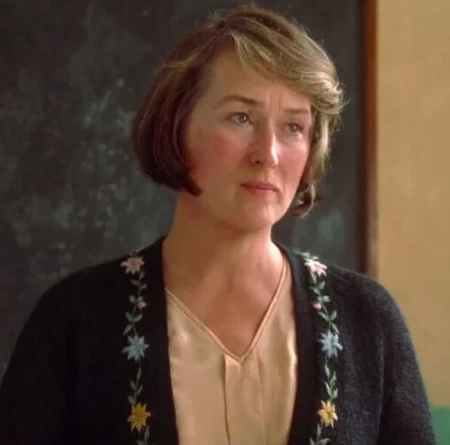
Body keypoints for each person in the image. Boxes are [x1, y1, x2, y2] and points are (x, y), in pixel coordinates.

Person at [0, 4, 436, 445]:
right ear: (176, 126)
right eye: (241, 117)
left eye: (293, 127)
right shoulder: (75, 320)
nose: (268, 154)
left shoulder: (368, 319)